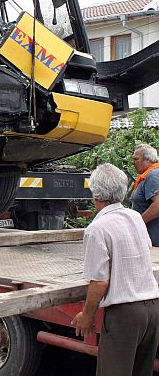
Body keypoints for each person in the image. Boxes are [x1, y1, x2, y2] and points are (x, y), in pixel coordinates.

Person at [72, 163, 159, 376]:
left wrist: (87, 315)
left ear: (96, 195)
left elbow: (100, 281)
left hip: (125, 315)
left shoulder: (97, 229)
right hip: (152, 310)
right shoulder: (135, 217)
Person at [131, 144, 159, 246]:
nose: (133, 162)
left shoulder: (153, 175)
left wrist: (138, 223)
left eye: (136, 159)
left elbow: (158, 205)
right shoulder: (149, 175)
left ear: (148, 160)